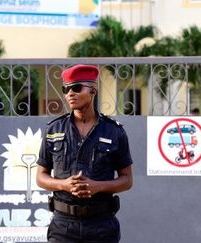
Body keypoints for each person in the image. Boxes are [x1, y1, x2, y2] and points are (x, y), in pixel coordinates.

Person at [36, 64, 134, 243]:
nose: (70, 94)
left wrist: (98, 186)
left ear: (93, 90)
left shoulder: (114, 131)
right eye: (66, 89)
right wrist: (64, 184)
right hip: (63, 226)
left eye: (76, 88)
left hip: (101, 225)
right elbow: (41, 176)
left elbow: (127, 180)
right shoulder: (53, 129)